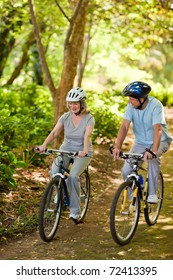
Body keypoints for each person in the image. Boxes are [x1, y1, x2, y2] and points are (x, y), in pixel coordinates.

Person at [36, 87, 95, 221]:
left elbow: (87, 136)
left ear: (82, 104)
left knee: (73, 176)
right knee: (54, 171)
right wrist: (44, 145)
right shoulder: (65, 117)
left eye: (75, 103)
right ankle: (60, 192)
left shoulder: (89, 118)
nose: (72, 106)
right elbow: (55, 133)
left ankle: (75, 211)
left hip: (82, 150)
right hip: (66, 148)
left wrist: (85, 150)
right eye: (70, 103)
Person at [112, 81, 172, 203]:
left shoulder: (156, 106)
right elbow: (124, 126)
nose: (129, 101)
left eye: (132, 98)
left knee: (152, 159)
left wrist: (154, 150)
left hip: (160, 141)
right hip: (140, 143)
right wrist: (117, 147)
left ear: (141, 99)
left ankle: (152, 193)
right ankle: (135, 198)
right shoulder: (131, 107)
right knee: (126, 171)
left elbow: (158, 129)